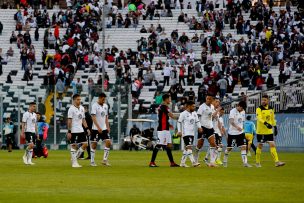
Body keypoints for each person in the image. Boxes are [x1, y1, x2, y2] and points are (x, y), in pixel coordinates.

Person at [149, 94, 179, 167]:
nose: (170, 100)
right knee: (159, 144)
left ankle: (172, 162)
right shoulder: (163, 107)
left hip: (166, 128)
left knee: (168, 145)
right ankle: (152, 162)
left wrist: (168, 124)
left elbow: (163, 118)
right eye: (169, 99)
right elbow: (171, 115)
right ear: (166, 99)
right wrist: (181, 118)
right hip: (162, 129)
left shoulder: (163, 107)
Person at [255, 95, 285, 167]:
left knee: (272, 144)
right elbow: (259, 118)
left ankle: (277, 162)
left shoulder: (271, 108)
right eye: (262, 100)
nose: (263, 101)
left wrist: (275, 127)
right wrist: (265, 123)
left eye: (265, 100)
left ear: (268, 101)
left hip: (269, 131)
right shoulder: (259, 109)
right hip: (261, 131)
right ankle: (257, 162)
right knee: (260, 146)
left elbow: (272, 119)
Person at [223, 101, 252, 167]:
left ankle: (245, 163)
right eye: (241, 108)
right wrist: (237, 127)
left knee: (243, 147)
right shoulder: (232, 111)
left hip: (240, 133)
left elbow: (242, 121)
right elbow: (231, 121)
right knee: (229, 148)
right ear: (238, 106)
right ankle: (225, 159)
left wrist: (243, 131)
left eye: (243, 109)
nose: (242, 110)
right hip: (232, 133)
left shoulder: (243, 111)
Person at [195, 94, 221, 167]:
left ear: (212, 100)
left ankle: (212, 162)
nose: (208, 100)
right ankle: (195, 160)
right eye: (207, 99)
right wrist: (199, 127)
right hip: (203, 127)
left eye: (210, 99)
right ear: (206, 99)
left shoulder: (212, 107)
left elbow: (212, 117)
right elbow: (198, 117)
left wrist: (217, 111)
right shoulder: (202, 107)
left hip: (210, 127)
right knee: (199, 145)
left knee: (213, 143)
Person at [67, 94, 91, 168]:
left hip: (81, 130)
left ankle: (74, 158)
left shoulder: (82, 108)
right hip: (74, 130)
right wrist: (69, 131)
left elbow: (83, 119)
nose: (79, 101)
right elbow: (69, 121)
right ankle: (74, 163)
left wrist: (87, 128)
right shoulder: (71, 109)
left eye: (80, 99)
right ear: (74, 100)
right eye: (77, 99)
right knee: (74, 145)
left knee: (85, 144)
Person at [177, 100, 202, 167]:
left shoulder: (194, 113)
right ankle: (193, 162)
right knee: (189, 147)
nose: (194, 107)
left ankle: (182, 163)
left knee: (186, 148)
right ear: (189, 106)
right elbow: (179, 122)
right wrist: (179, 131)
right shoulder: (183, 114)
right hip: (186, 133)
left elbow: (197, 121)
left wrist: (199, 127)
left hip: (192, 133)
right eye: (193, 106)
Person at [90, 93, 111, 166]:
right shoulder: (94, 106)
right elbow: (93, 117)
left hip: (104, 128)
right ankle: (92, 161)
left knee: (108, 142)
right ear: (99, 98)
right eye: (103, 99)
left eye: (104, 99)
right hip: (96, 129)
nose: (104, 101)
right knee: (94, 145)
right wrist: (98, 127)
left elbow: (106, 117)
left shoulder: (106, 106)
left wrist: (108, 126)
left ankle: (104, 160)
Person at [204, 98, 224, 165]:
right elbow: (211, 118)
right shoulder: (211, 110)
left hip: (217, 131)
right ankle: (211, 161)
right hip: (212, 130)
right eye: (216, 102)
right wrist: (217, 111)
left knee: (216, 146)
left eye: (218, 102)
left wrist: (220, 130)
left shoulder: (216, 111)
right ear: (213, 102)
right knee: (215, 146)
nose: (218, 103)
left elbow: (218, 121)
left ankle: (210, 160)